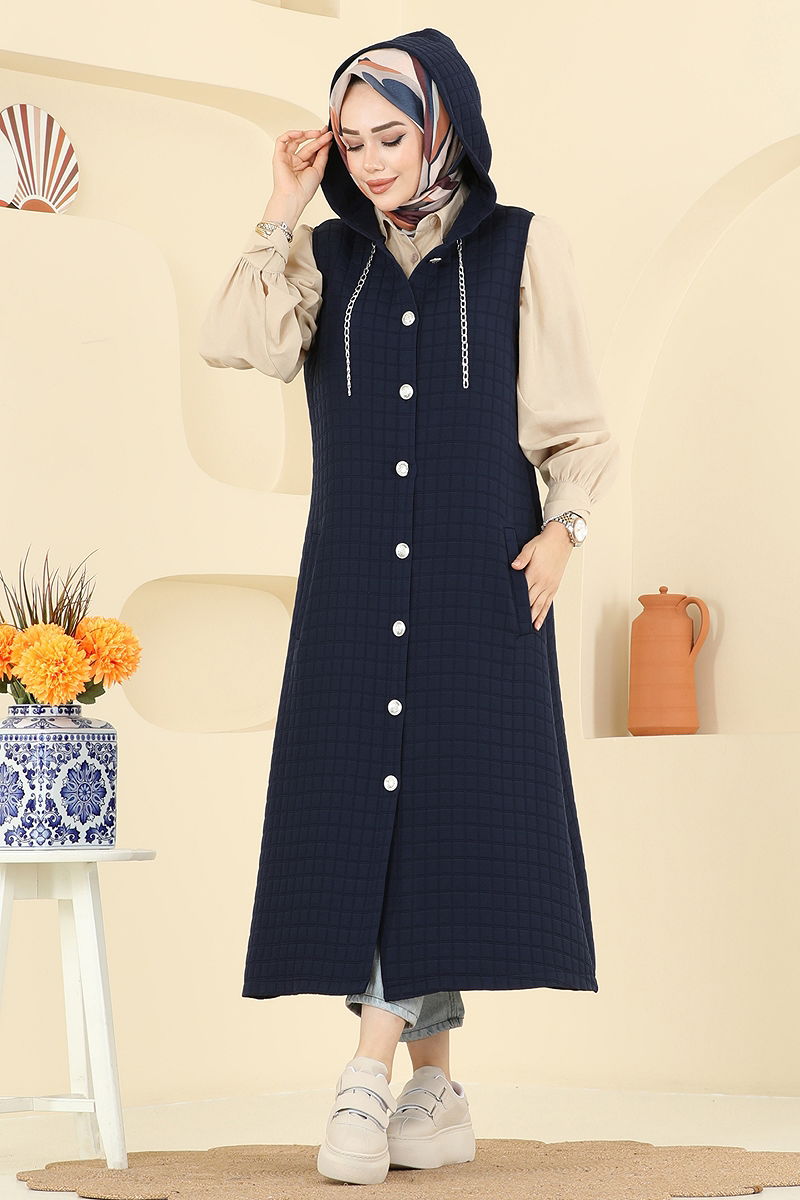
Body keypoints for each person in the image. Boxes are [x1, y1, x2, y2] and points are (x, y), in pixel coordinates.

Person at [199, 27, 620, 1187]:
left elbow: (577, 422)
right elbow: (236, 344)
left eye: (391, 135)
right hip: (351, 586)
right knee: (370, 820)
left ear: (442, 126)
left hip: (480, 581)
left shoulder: (520, 247)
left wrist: (564, 531)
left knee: (441, 821)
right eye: (350, 142)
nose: (372, 160)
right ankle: (433, 1091)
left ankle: (364, 1073)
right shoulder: (323, 255)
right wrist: (280, 204)